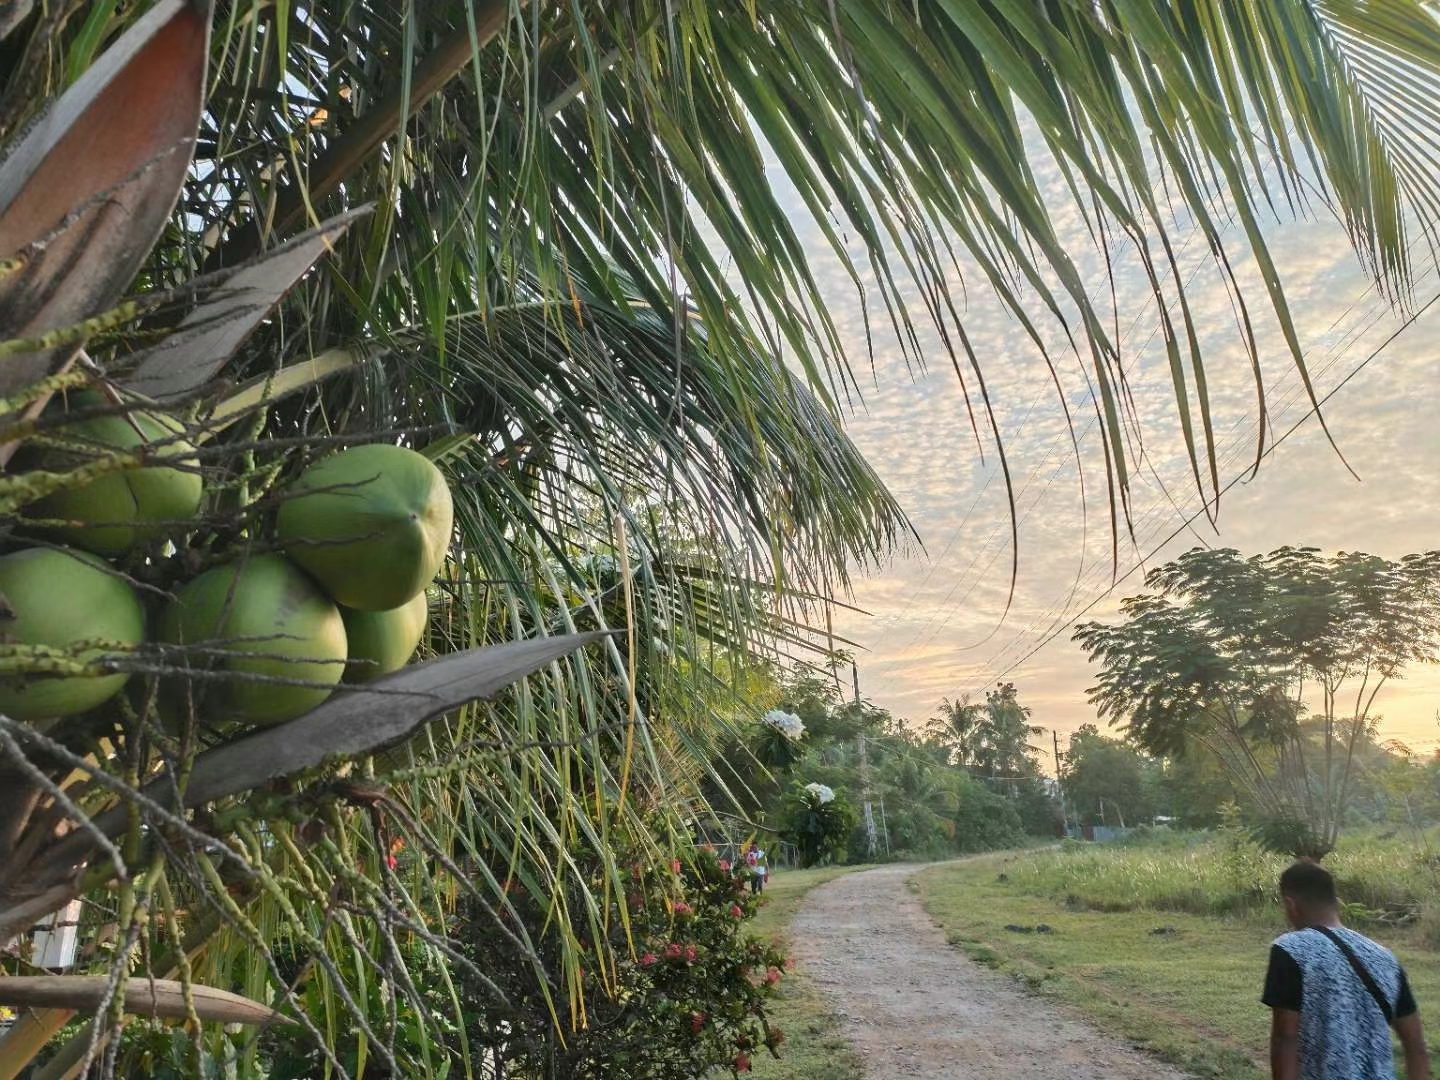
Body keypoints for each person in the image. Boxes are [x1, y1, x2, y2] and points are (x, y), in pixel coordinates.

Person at [1262, 860, 1429, 1080]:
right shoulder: (1385, 958)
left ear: (1290, 904)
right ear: (1336, 903)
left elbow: (1285, 1037)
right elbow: (1415, 1044)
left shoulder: (1291, 950)